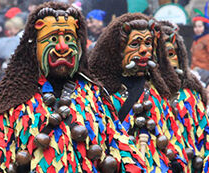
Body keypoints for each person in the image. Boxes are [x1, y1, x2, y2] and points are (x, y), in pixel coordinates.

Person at [0, 2, 145, 172]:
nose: (62, 48)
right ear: (34, 46)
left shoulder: (95, 95)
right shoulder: (13, 97)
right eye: (52, 39)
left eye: (68, 38)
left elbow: (122, 150)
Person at [88, 13, 188, 171]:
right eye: (135, 44)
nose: (144, 50)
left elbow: (172, 135)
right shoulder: (100, 92)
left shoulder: (157, 90)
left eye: (148, 43)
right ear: (117, 50)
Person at [158, 20, 208, 171]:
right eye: (162, 56)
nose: (168, 62)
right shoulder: (145, 94)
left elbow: (204, 133)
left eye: (172, 54)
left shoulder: (191, 95)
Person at [191, 16, 209, 85]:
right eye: (195, 27)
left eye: (200, 26)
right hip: (195, 70)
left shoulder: (207, 38)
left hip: (205, 72)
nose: (197, 29)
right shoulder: (196, 40)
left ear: (205, 26)